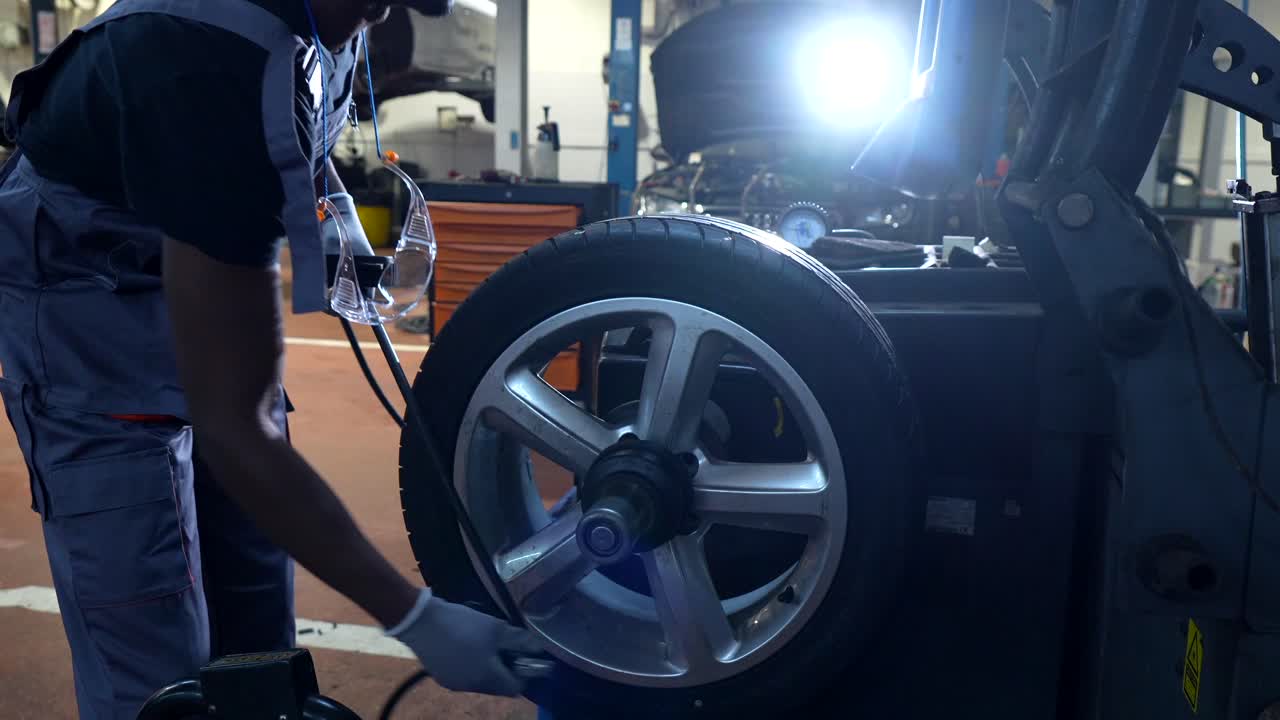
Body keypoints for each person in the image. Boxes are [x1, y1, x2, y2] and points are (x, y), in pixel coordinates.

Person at [0, 1, 539, 718]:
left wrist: (329, 205)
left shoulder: (337, 22)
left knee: (257, 621)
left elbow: (295, 119)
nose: (379, 13)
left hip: (193, 248)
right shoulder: (204, 63)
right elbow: (236, 427)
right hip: (86, 297)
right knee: (156, 653)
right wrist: (416, 617)